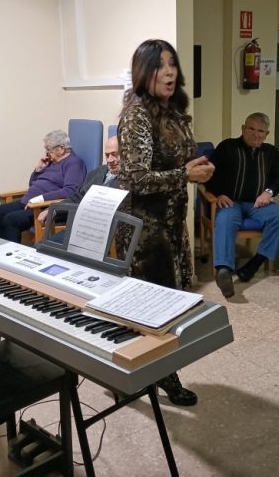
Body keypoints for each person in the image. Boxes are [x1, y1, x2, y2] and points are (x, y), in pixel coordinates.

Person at [117, 39, 214, 407]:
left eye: (172, 63)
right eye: (160, 65)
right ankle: (159, 376)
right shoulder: (137, 113)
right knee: (151, 310)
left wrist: (199, 171)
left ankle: (147, 373)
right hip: (146, 228)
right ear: (145, 72)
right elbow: (134, 178)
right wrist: (183, 175)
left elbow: (181, 163)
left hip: (172, 222)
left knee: (168, 304)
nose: (170, 72)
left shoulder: (172, 110)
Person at [204, 112, 279, 298]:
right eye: (251, 129)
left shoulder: (271, 152)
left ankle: (255, 263)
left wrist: (268, 192)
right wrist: (218, 194)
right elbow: (208, 175)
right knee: (226, 219)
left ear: (267, 134)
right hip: (231, 201)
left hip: (257, 203)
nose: (255, 134)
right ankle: (224, 270)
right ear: (243, 129)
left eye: (261, 131)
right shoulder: (227, 147)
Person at [0, 130, 86, 242]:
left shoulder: (74, 163)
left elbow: (70, 191)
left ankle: (9, 256)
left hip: (43, 207)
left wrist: (40, 199)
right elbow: (32, 185)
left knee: (11, 220)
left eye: (49, 150)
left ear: (62, 148)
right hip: (29, 201)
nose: (47, 154)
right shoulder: (50, 162)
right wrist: (38, 170)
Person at [37, 135, 121, 232]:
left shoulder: (130, 181)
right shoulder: (97, 173)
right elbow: (76, 197)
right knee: (40, 246)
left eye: (115, 154)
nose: (110, 160)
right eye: (107, 155)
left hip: (104, 231)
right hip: (79, 228)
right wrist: (53, 210)